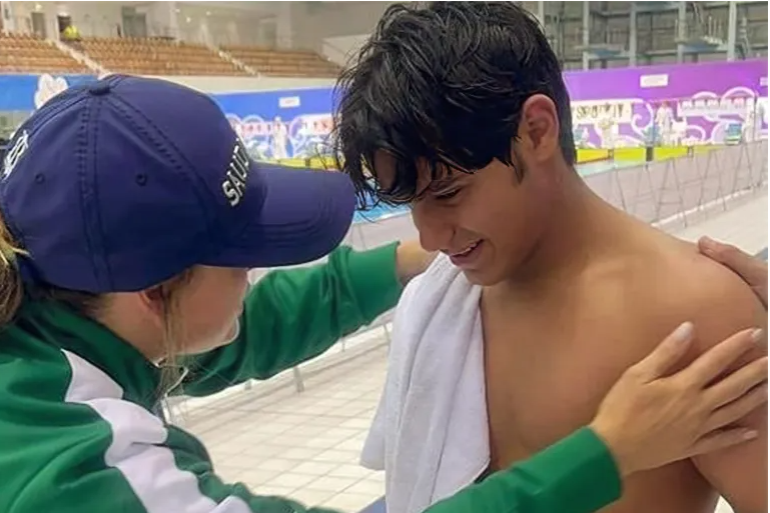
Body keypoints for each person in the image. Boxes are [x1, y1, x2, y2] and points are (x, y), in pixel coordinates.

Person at [0, 74, 764, 513]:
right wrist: (610, 449)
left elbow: (242, 329)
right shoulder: (81, 474)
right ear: (153, 293)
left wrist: (408, 261)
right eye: (242, 258)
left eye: (448, 194)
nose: (255, 278)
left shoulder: (49, 315)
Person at [333, 3, 767, 513]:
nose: (428, 239)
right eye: (411, 204)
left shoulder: (695, 309)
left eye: (448, 193)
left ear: (537, 131)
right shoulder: (449, 302)